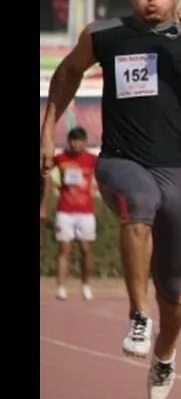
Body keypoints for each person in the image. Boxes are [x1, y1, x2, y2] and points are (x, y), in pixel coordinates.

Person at [39, 0, 181, 399]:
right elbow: (67, 74)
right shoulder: (106, 35)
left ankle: (165, 353)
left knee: (175, 286)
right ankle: (137, 316)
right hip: (121, 161)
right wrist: (48, 130)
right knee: (139, 204)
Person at [43, 127, 98, 301]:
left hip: (86, 212)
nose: (76, 144)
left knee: (85, 250)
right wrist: (44, 204)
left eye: (80, 140)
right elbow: (46, 174)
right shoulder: (60, 159)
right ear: (69, 141)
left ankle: (86, 284)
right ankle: (61, 286)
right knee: (64, 250)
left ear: (85, 142)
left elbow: (104, 178)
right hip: (65, 210)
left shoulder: (92, 160)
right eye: (73, 140)